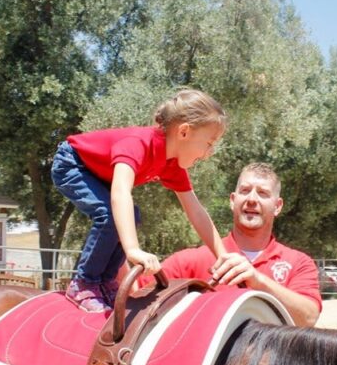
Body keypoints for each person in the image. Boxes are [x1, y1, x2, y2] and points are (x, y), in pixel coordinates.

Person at [52, 89, 228, 312]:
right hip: (72, 164)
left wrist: (222, 254)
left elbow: (195, 209)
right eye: (209, 143)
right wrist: (133, 249)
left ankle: (105, 283)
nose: (209, 152)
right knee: (108, 214)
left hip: (98, 173)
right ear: (184, 132)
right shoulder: (139, 144)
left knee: (131, 216)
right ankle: (84, 282)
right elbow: (120, 192)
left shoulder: (171, 163)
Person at [142, 163, 322, 327]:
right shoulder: (190, 261)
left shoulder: (299, 263)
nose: (252, 199)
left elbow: (308, 319)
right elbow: (136, 294)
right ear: (232, 200)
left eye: (263, 193)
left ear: (277, 206)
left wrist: (257, 280)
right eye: (245, 191)